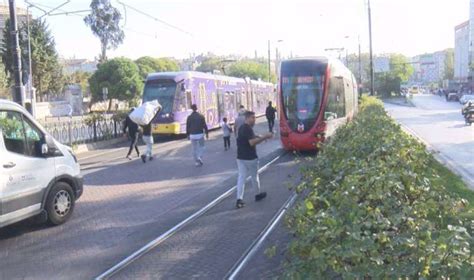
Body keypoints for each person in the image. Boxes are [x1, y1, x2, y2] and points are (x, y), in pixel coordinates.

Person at [235, 111, 273, 209]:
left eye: (254, 117)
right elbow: (252, 142)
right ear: (247, 118)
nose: (254, 119)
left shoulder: (242, 128)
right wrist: (265, 136)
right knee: (254, 177)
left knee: (241, 178)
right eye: (253, 117)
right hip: (250, 157)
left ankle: (239, 199)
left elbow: (249, 138)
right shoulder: (248, 128)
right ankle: (257, 194)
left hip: (240, 157)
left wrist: (258, 136)